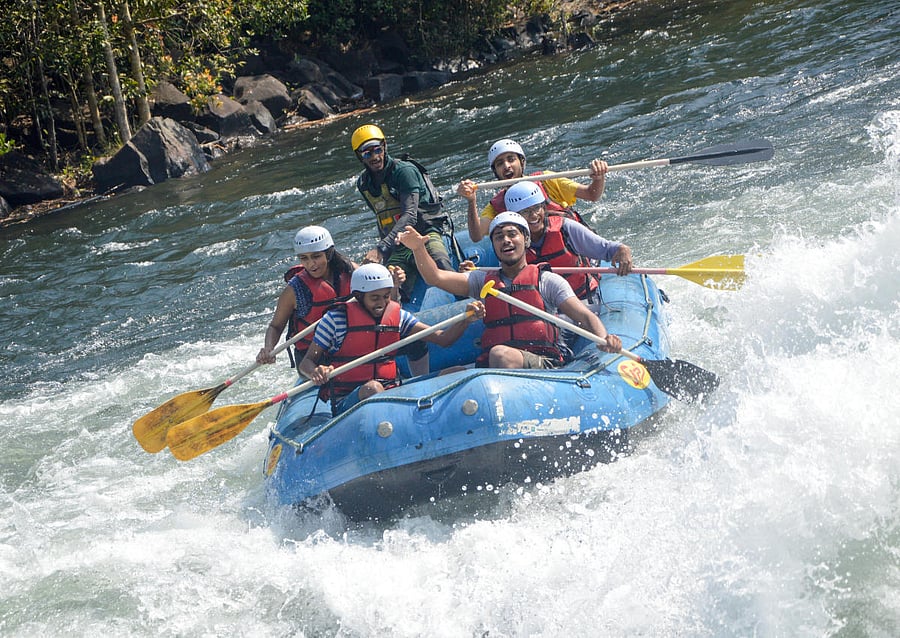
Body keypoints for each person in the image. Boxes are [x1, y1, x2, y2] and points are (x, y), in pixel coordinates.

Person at [397, 213, 622, 370]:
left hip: (543, 362)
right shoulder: (482, 281)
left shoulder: (547, 281)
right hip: (498, 364)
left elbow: (584, 316)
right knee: (450, 375)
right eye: (498, 237)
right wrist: (418, 248)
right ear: (494, 246)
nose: (506, 240)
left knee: (500, 354)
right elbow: (435, 277)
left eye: (512, 234)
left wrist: (604, 339)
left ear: (525, 239)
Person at [300, 263, 485, 415]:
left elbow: (444, 339)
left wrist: (466, 320)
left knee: (457, 372)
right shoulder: (334, 321)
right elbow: (306, 363)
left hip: (392, 389)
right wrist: (316, 371)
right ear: (358, 296)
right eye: (374, 298)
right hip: (350, 398)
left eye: (386, 297)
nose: (381, 303)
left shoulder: (398, 316)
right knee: (373, 388)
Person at [350, 124, 459, 299]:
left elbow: (410, 215)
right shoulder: (364, 184)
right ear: (359, 156)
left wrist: (381, 248)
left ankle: (469, 303)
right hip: (398, 244)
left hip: (426, 232)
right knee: (389, 286)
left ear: (384, 146)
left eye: (377, 150)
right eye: (367, 153)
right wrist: (386, 257)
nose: (375, 157)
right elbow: (382, 219)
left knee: (441, 264)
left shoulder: (404, 171)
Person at [457, 138, 610, 243]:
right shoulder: (496, 206)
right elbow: (476, 236)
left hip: (572, 244)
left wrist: (598, 176)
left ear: (521, 162)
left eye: (511, 159)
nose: (506, 166)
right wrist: (471, 201)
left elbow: (592, 195)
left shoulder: (548, 180)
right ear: (496, 171)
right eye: (500, 163)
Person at [503, 180, 633, 301]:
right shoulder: (510, 242)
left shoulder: (565, 228)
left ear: (544, 207)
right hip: (544, 309)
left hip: (582, 299)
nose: (534, 215)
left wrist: (622, 249)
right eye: (526, 212)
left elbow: (606, 249)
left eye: (537, 208)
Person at [256, 226, 356, 370]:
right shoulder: (294, 289)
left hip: (351, 348)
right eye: (304, 258)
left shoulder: (351, 272)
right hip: (312, 359)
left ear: (328, 254)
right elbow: (275, 326)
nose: (310, 264)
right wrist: (268, 348)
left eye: (316, 256)